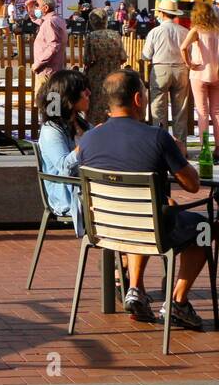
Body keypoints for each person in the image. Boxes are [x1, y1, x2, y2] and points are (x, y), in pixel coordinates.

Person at [69, 69, 208, 329]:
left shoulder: (88, 139)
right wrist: (179, 155)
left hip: (106, 229)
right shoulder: (156, 137)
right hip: (148, 229)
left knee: (141, 214)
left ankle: (135, 289)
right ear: (137, 99)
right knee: (204, 228)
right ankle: (177, 301)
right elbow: (192, 185)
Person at [180, 0, 219, 159]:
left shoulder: (196, 30)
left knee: (202, 112)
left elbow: (183, 47)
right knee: (216, 112)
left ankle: (204, 148)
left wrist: (189, 63)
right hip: (217, 74)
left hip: (199, 73)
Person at [35, 68, 91, 226]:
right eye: (83, 90)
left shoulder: (82, 124)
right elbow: (64, 167)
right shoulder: (51, 130)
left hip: (88, 189)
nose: (89, 93)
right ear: (69, 96)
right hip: (67, 197)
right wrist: (89, 142)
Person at [141, 0, 192, 146]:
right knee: (180, 111)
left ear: (162, 13)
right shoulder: (184, 31)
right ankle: (180, 146)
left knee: (158, 109)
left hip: (161, 69)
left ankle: (160, 145)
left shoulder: (155, 32)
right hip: (181, 69)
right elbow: (190, 52)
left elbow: (146, 56)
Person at [82, 8, 127, 125]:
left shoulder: (91, 36)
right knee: (113, 103)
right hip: (114, 76)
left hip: (96, 79)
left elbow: (87, 60)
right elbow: (123, 58)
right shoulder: (116, 35)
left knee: (95, 107)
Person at [31, 0, 67, 114]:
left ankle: (50, 130)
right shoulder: (56, 19)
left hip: (47, 70)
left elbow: (53, 45)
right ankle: (52, 128)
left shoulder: (50, 22)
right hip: (55, 69)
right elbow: (35, 19)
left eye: (37, 6)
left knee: (48, 106)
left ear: (45, 8)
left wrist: (38, 64)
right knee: (53, 106)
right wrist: (29, 6)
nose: (36, 9)